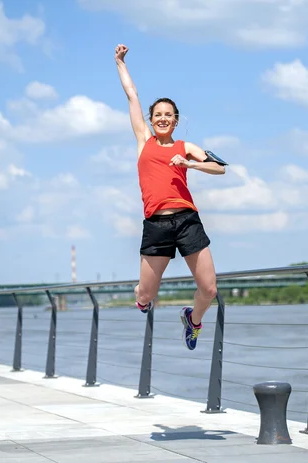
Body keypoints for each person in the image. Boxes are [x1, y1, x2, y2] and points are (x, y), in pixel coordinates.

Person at [114, 44, 227, 351]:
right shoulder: (144, 141)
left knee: (209, 288)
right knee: (146, 296)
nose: (163, 119)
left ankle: (194, 320)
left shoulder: (185, 147)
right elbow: (132, 95)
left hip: (187, 220)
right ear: (151, 120)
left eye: (169, 115)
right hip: (156, 225)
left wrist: (190, 163)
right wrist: (120, 63)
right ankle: (140, 291)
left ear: (176, 120)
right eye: (158, 115)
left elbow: (220, 169)